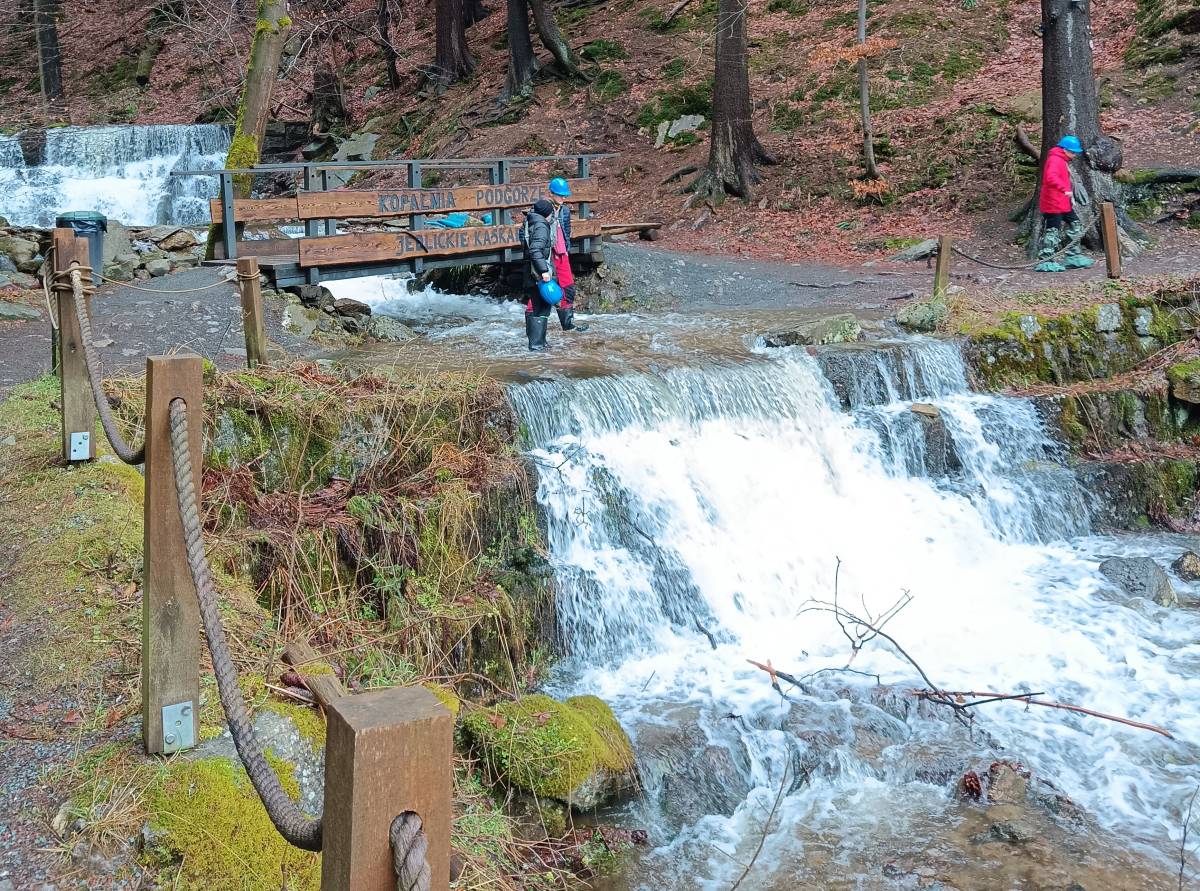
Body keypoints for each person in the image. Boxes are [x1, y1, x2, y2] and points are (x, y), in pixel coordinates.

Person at [1036, 135, 1095, 273]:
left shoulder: (1061, 160)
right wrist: (1064, 189)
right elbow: (1050, 177)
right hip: (1053, 202)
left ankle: (1073, 255)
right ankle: (1046, 260)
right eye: (1073, 152)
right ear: (1065, 149)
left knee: (1076, 225)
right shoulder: (1055, 160)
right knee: (1053, 231)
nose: (1074, 155)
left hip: (1063, 202)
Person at [546, 177, 588, 332]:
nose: (563, 198)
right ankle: (536, 334)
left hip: (562, 253)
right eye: (560, 195)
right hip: (547, 255)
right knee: (541, 292)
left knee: (568, 288)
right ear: (551, 193)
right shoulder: (542, 209)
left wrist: (566, 249)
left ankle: (568, 325)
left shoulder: (564, 210)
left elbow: (567, 231)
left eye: (564, 195)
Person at [522, 198, 558, 351]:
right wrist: (544, 271)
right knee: (541, 308)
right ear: (547, 214)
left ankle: (540, 342)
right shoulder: (542, 226)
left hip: (529, 271)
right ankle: (537, 345)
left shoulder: (529, 222)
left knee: (539, 307)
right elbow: (535, 250)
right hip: (537, 274)